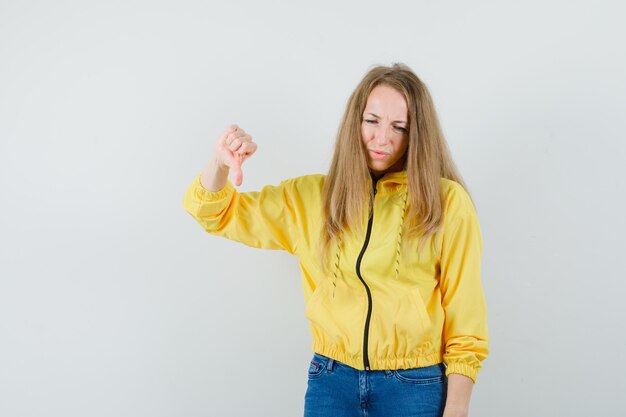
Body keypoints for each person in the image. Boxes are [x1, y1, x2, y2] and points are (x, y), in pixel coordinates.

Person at [182, 63, 489, 417]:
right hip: (331, 382)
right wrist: (218, 164)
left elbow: (467, 318)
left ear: (417, 133)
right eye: (371, 121)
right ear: (354, 122)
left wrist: (458, 407)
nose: (382, 138)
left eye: (399, 127)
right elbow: (214, 214)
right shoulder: (310, 198)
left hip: (414, 386)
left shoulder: (446, 202)